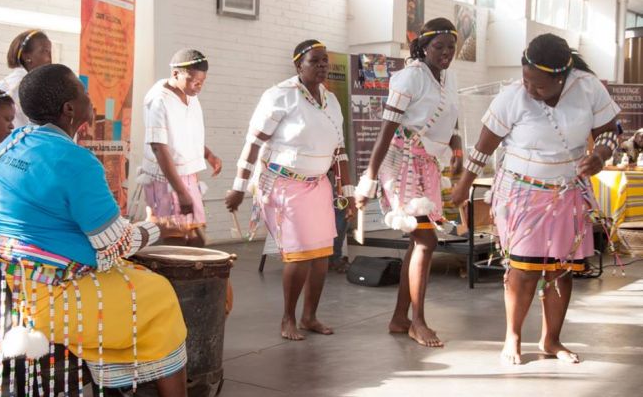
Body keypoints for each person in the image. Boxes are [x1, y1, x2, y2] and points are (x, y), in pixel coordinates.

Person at [0, 64, 189, 395]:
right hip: (50, 296)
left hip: (11, 284)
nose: (90, 97)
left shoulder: (14, 142)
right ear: (70, 109)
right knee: (159, 295)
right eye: (83, 92)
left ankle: (115, 381)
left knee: (133, 278)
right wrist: (160, 228)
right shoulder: (76, 162)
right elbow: (116, 244)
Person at [451, 33, 620, 365]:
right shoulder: (512, 96)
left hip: (568, 192)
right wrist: (463, 184)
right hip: (522, 193)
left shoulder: (587, 87)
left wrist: (600, 156)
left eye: (539, 86)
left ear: (561, 77)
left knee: (561, 270)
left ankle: (551, 340)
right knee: (524, 268)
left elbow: (611, 132)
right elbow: (483, 147)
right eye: (526, 79)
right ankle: (512, 336)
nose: (530, 89)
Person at [225, 39, 355, 340]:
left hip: (318, 186)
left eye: (325, 61)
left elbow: (339, 152)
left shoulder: (331, 100)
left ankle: (309, 317)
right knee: (299, 255)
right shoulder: (280, 95)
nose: (322, 66)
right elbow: (254, 143)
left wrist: (347, 193)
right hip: (284, 185)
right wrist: (239, 187)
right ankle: (288, 319)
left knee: (321, 256)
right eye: (315, 61)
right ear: (298, 65)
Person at [355, 18, 463, 347]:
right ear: (423, 47)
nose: (446, 53)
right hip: (400, 161)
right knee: (426, 241)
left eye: (451, 47)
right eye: (439, 46)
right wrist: (369, 178)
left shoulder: (448, 77)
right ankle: (418, 321)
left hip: (427, 163)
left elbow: (452, 118)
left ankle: (400, 318)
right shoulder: (409, 77)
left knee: (419, 242)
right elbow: (386, 131)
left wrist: (457, 147)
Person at [138, 49, 222, 247]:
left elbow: (186, 134)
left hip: (187, 175)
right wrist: (181, 192)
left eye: (202, 81)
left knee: (196, 238)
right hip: (166, 178)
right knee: (174, 240)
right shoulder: (158, 100)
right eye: (195, 81)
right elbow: (159, 147)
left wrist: (208, 155)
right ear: (176, 74)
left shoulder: (190, 95)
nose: (199, 86)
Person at [0, 29, 52, 128]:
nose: (49, 58)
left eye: (50, 52)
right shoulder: (16, 86)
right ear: (27, 57)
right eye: (45, 51)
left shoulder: (33, 83)